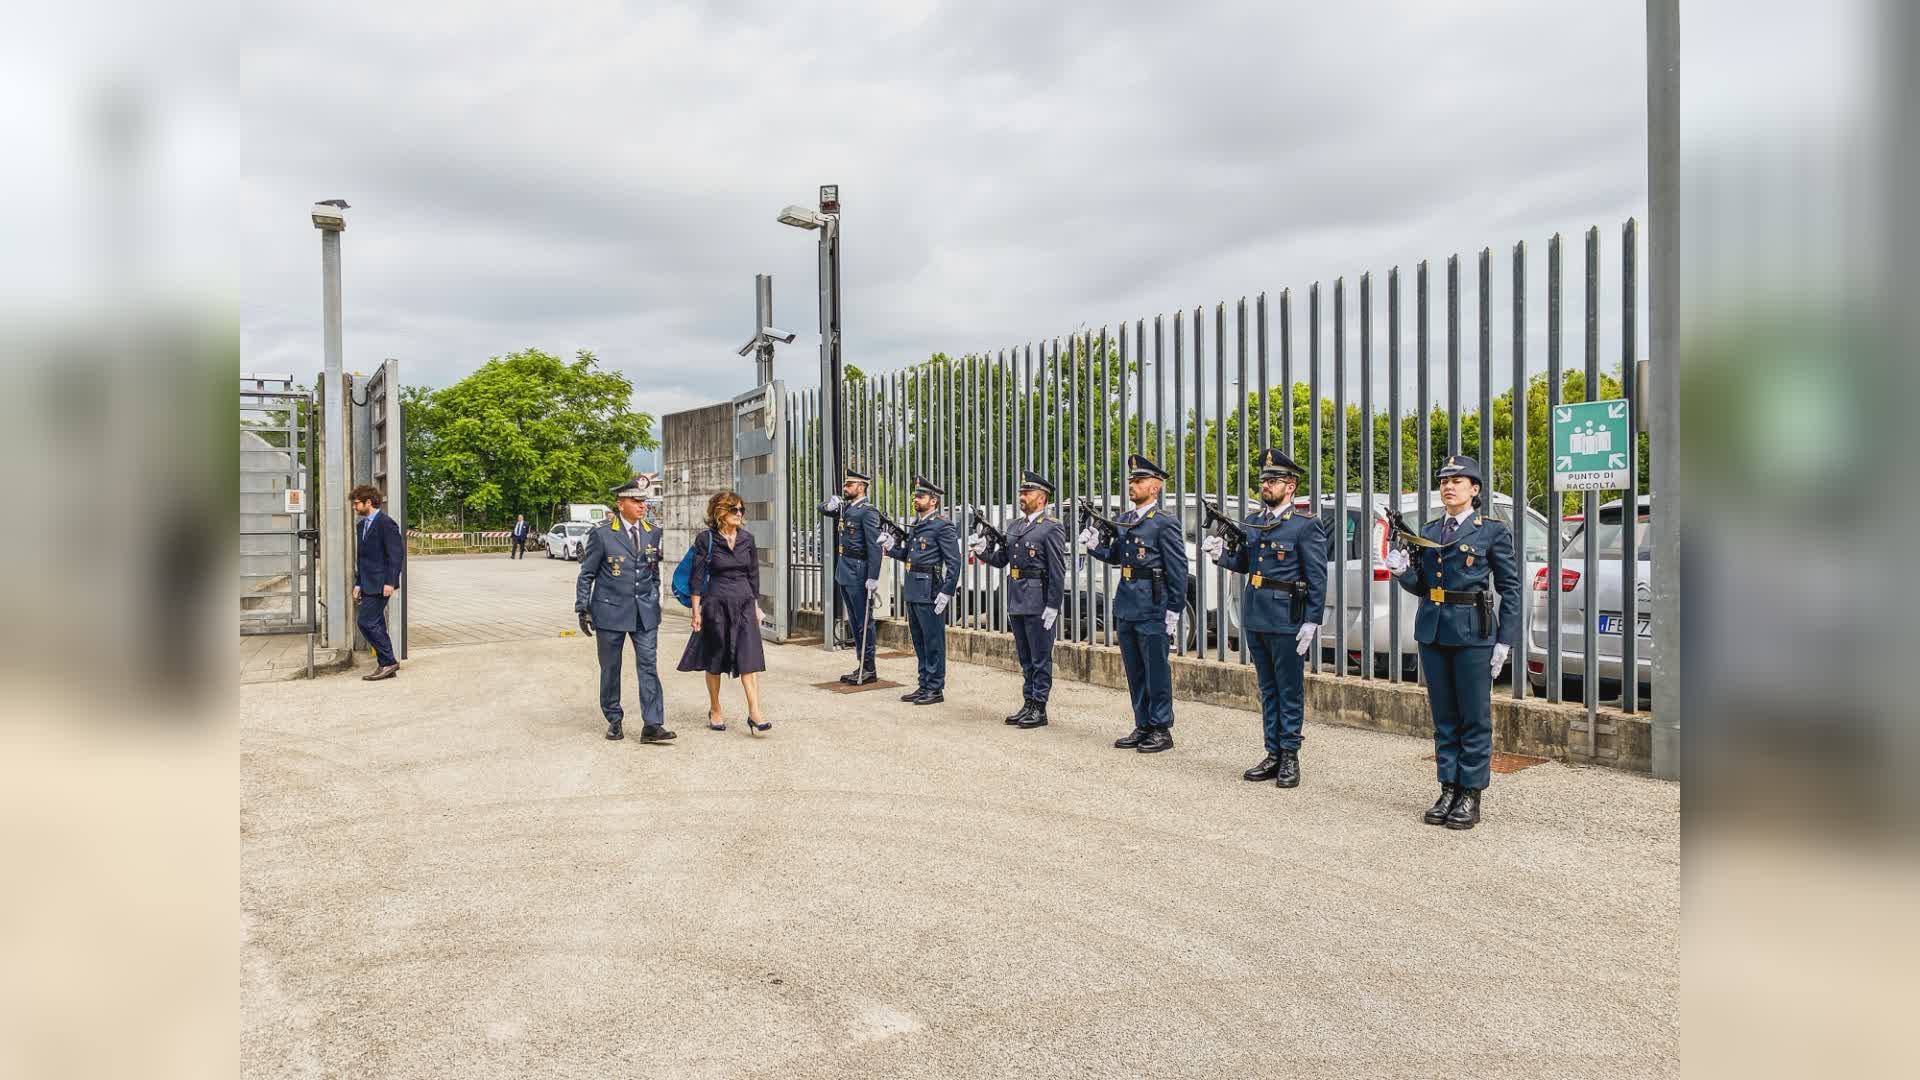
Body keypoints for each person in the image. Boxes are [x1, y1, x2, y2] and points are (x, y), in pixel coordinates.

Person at [1384, 455, 1523, 830]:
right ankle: (1448, 787)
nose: (1448, 486)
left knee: (1473, 717)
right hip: (1434, 630)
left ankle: (1470, 794)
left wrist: (1505, 640)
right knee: (1444, 716)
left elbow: (1511, 589)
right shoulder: (1430, 529)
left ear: (1474, 489)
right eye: (1444, 480)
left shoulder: (1490, 531)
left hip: (1474, 633)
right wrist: (1402, 572)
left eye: (1458, 481)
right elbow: (1424, 585)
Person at [1203, 448, 1329, 787]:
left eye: (1272, 480)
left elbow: (1317, 576)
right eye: (1262, 480)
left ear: (1291, 486)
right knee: (1268, 688)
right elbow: (1246, 563)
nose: (1265, 485)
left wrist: (1312, 620)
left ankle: (1289, 755)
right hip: (1257, 614)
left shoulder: (1304, 526)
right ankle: (1272, 753)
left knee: (1288, 689)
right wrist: (1222, 556)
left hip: (1288, 617)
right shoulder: (1255, 521)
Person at [1082, 454, 1189, 753]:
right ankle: (1142, 723)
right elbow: (1117, 556)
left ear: (1154, 488)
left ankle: (1161, 728)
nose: (1132, 485)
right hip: (1128, 602)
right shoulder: (1126, 520)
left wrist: (1173, 610)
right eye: (1130, 481)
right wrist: (1095, 547)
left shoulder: (1164, 523)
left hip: (1153, 604)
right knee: (1134, 669)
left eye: (1139, 481)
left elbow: (1178, 569)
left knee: (1155, 668)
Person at [576, 477, 673, 743]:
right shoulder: (602, 534)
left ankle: (652, 724)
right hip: (610, 612)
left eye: (644, 501)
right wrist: (582, 607)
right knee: (611, 668)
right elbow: (587, 575)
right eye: (636, 501)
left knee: (648, 666)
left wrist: (654, 599)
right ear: (621, 504)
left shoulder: (653, 531)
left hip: (644, 612)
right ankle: (614, 719)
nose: (642, 506)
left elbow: (653, 571)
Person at [973, 470, 1066, 728]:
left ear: (1042, 498)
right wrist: (983, 553)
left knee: (1040, 656)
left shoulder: (1051, 527)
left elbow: (1058, 570)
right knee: (1025, 656)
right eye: (1022, 493)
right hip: (1016, 597)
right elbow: (1003, 560)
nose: (1022, 497)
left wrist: (1053, 606)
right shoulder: (1014, 526)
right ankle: (1028, 702)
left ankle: (1040, 706)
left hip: (1039, 598)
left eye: (1028, 493)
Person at [677, 491, 772, 733]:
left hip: (743, 604)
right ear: (720, 512)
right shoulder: (705, 540)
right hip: (716, 604)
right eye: (734, 510)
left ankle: (755, 712)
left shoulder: (747, 539)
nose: (739, 514)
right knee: (715, 658)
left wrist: (755, 606)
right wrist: (696, 612)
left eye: (741, 510)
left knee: (748, 659)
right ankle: (716, 708)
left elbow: (753, 576)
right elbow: (696, 579)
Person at [885, 475, 961, 705]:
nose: (916, 499)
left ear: (934, 501)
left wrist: (946, 591)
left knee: (933, 641)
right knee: (918, 640)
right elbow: (909, 555)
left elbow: (954, 562)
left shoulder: (942, 526)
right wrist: (891, 548)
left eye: (921, 496)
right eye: (915, 496)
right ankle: (924, 683)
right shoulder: (917, 525)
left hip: (930, 590)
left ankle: (935, 688)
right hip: (913, 589)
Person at [819, 467, 883, 685]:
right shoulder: (846, 508)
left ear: (861, 487)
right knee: (855, 620)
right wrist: (830, 504)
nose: (845, 488)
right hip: (845, 568)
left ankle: (869, 667)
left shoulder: (868, 511)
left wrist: (873, 576)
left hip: (859, 569)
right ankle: (861, 663)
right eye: (845, 485)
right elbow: (823, 509)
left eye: (849, 485)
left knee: (864, 621)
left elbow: (875, 547)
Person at [350, 484, 405, 681]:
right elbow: (362, 559)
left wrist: (390, 582)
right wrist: (358, 584)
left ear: (368, 502)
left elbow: (396, 555)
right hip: (367, 583)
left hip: (382, 583)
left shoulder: (386, 523)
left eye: (356, 503)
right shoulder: (361, 525)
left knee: (366, 622)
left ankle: (389, 661)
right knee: (376, 623)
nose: (354, 507)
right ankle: (386, 664)